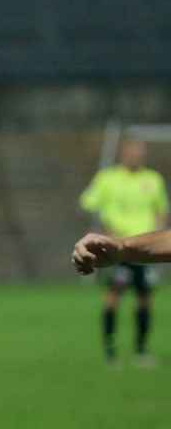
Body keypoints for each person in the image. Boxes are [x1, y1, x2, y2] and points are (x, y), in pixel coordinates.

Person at [77, 140, 168, 366]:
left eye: (140, 153)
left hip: (148, 248)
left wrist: (158, 232)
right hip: (116, 247)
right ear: (123, 154)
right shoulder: (108, 178)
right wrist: (105, 229)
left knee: (144, 299)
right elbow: (88, 203)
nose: (136, 156)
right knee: (113, 297)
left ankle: (141, 350)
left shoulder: (153, 179)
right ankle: (110, 351)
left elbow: (162, 211)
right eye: (132, 152)